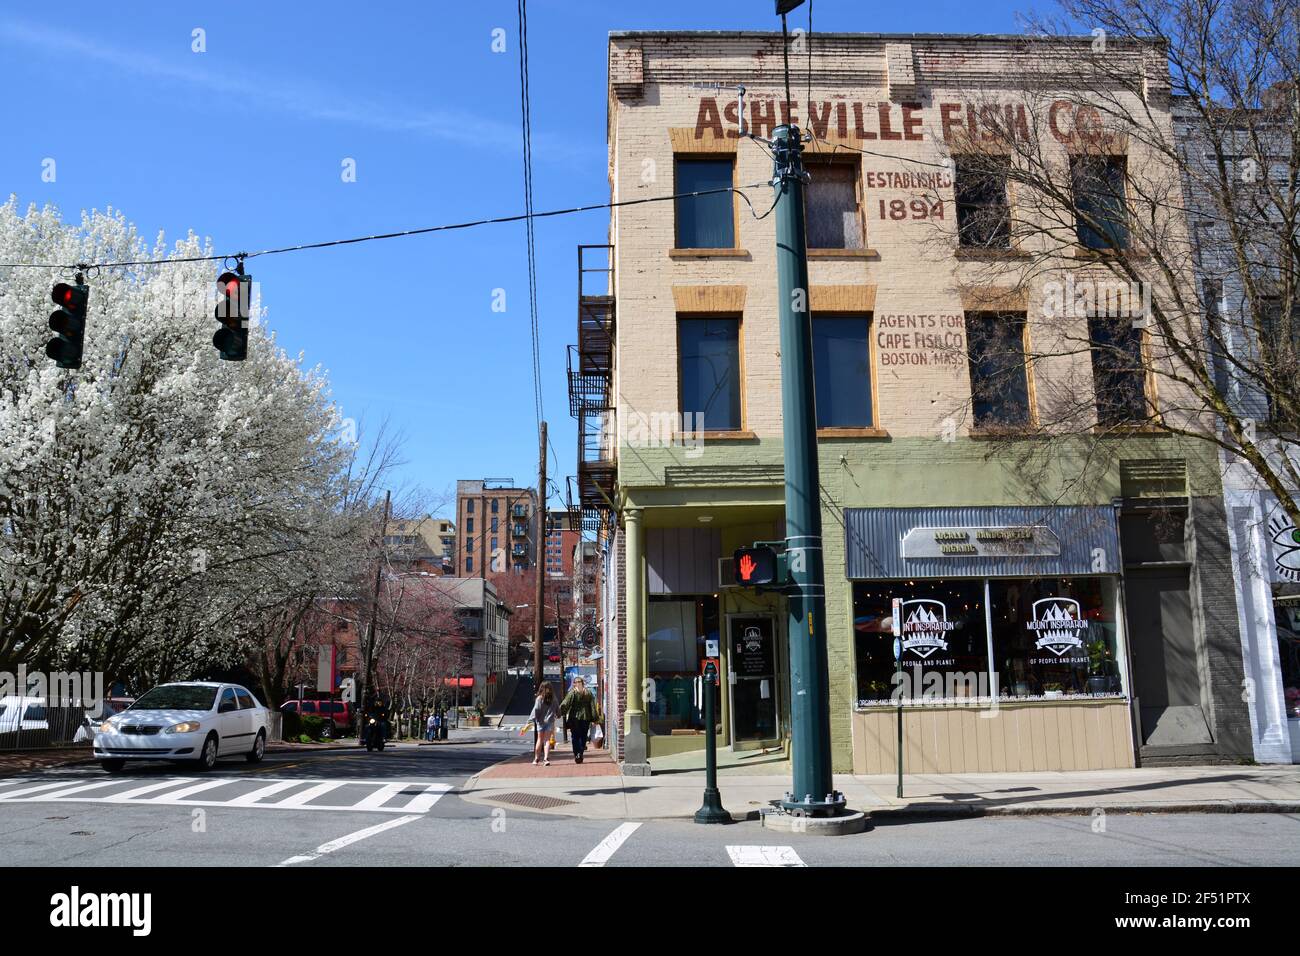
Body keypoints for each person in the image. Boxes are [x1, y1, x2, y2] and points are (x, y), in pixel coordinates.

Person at [559, 677, 601, 764]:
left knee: (580, 736)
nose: (577, 683)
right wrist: (560, 711)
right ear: (574, 683)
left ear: (582, 683)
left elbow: (592, 706)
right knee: (578, 737)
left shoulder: (581, 693)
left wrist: (595, 718)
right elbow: (566, 704)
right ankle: (578, 754)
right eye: (576, 682)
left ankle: (579, 753)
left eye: (579, 682)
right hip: (580, 718)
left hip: (580, 718)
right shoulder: (580, 693)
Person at [530, 682, 559, 766]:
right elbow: (557, 709)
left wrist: (533, 719)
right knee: (547, 740)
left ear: (541, 688)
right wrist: (558, 714)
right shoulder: (554, 698)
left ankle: (536, 759)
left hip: (540, 722)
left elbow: (536, 709)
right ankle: (546, 759)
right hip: (549, 721)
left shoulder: (539, 698)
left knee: (539, 740)